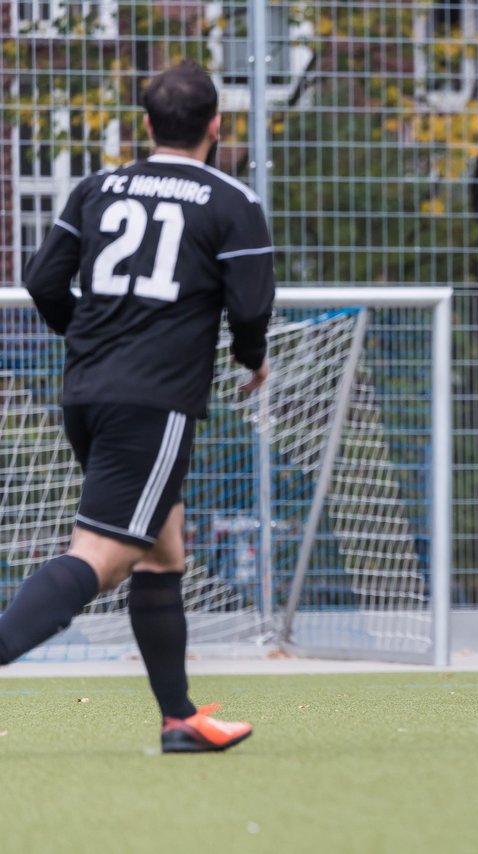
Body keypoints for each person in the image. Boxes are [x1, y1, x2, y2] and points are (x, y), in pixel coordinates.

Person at [11, 60, 274, 751]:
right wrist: (253, 360)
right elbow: (249, 307)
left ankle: (178, 719)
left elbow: (41, 279)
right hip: (151, 403)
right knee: (100, 555)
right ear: (216, 127)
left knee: (161, 550)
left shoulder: (97, 187)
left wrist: (93, 337)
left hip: (86, 393)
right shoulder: (230, 200)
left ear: (146, 125)